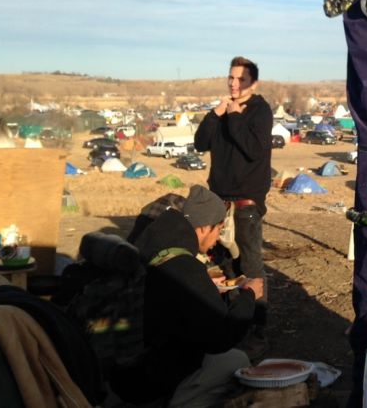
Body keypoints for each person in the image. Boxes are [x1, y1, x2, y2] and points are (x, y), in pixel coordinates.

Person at [110, 185, 264, 407]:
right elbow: (220, 338)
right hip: (151, 377)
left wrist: (205, 287)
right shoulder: (186, 267)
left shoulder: (153, 245)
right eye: (219, 231)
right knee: (235, 360)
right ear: (203, 228)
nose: (217, 239)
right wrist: (249, 295)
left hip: (122, 366)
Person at [194, 56, 273, 357]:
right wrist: (215, 115)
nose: (234, 84)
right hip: (220, 202)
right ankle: (231, 326)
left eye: (241, 79)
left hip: (246, 203)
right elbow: (200, 143)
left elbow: (254, 151)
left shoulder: (259, 111)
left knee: (251, 268)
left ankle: (258, 329)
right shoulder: (223, 110)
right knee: (225, 266)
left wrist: (236, 116)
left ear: (254, 83)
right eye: (231, 78)